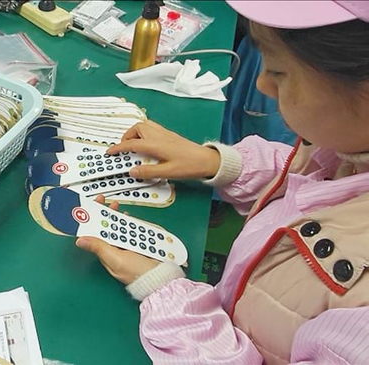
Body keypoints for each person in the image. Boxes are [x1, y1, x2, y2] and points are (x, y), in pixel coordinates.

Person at [75, 1, 369, 364]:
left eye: (279, 72)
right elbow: (314, 175)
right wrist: (222, 164)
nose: (262, 84)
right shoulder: (349, 147)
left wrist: (166, 292)